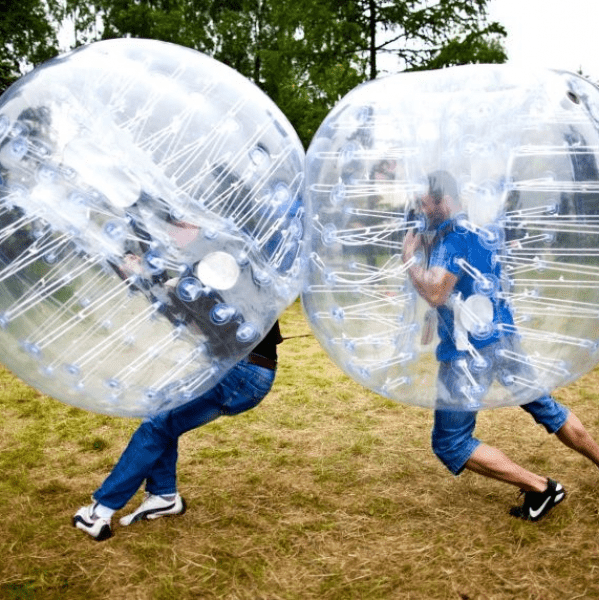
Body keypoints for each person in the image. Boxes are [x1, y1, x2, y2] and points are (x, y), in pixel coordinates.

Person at [402, 170, 599, 521]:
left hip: (468, 355)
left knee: (451, 442)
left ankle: (541, 488)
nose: (420, 208)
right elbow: (477, 284)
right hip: (504, 338)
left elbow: (435, 291)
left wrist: (409, 259)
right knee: (548, 409)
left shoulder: (452, 240)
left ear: (443, 200)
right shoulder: (481, 229)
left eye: (425, 202)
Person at [73, 320, 282, 541]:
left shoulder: (222, 284)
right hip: (245, 370)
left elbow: (199, 323)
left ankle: (99, 513)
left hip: (238, 372)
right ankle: (163, 495)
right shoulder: (244, 286)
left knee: (156, 425)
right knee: (163, 417)